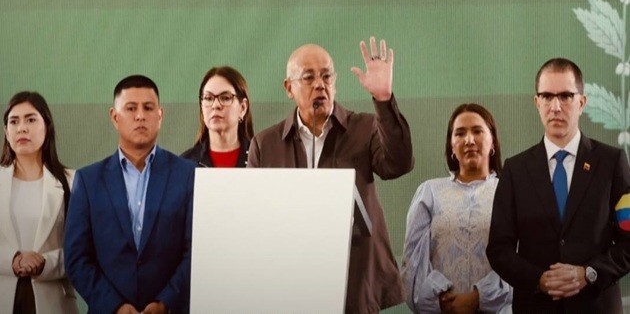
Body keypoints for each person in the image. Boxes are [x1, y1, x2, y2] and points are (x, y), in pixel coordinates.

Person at [248, 36, 414, 313]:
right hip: (292, 284)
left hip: (355, 282)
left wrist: (384, 101)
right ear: (289, 88)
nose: (320, 85)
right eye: (308, 77)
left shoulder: (365, 128)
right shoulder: (266, 144)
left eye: (326, 76)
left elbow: (398, 164)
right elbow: (254, 219)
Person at [486, 57, 630, 313]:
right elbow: (499, 249)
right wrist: (538, 280)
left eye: (565, 96)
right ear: (537, 102)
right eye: (547, 96)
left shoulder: (611, 163)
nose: (555, 106)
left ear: (581, 102)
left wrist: (590, 273)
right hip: (536, 307)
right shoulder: (515, 170)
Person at [64, 75, 196, 314]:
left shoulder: (188, 174)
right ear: (115, 117)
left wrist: (165, 302)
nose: (140, 116)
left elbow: (194, 250)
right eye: (131, 108)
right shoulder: (88, 180)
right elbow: (77, 258)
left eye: (148, 108)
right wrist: (114, 306)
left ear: (160, 115)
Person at [402, 103, 512, 313]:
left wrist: (479, 298)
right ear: (451, 146)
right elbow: (412, 263)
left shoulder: (511, 191)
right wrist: (445, 301)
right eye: (460, 133)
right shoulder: (429, 193)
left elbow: (522, 259)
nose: (469, 140)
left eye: (477, 131)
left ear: (493, 142)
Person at [0, 91, 78, 314]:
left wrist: (46, 262)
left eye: (31, 120)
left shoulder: (73, 181)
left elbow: (83, 248)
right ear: (6, 132)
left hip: (55, 301)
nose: (22, 128)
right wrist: (11, 260)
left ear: (47, 126)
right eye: (14, 122)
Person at [181, 66, 253, 167]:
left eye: (225, 98)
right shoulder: (185, 163)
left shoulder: (260, 159)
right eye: (208, 98)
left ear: (243, 108)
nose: (215, 105)